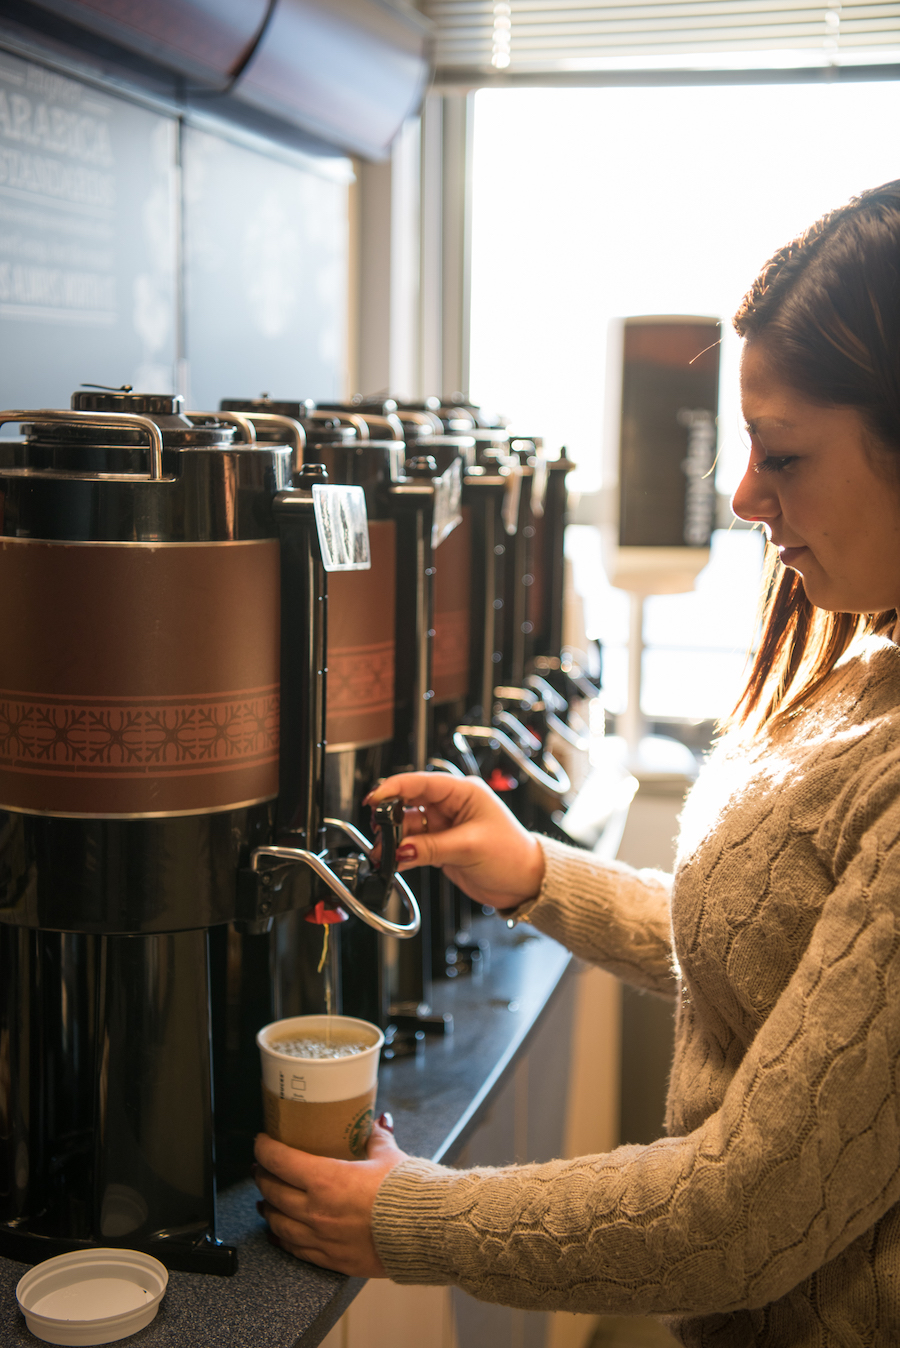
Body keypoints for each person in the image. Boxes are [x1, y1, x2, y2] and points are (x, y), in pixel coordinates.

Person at [254, 178, 900, 1344]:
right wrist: (535, 875)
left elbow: (742, 1210)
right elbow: (776, 946)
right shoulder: (871, 654)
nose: (743, 493)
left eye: (784, 454)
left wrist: (410, 1216)